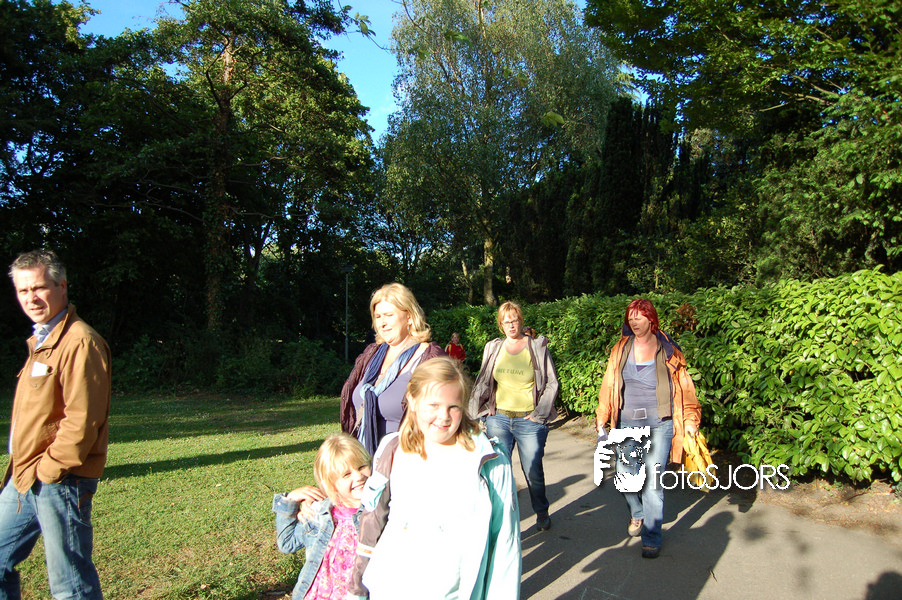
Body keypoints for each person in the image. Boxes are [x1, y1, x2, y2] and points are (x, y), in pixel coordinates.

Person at [348, 356, 520, 599]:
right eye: (433, 405)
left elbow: (505, 545)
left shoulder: (490, 463)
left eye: (453, 407)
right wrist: (356, 590)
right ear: (413, 400)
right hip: (389, 589)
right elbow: (372, 522)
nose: (443, 417)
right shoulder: (392, 450)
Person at [0, 249, 111, 599]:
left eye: (39, 288)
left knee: (70, 584)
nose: (31, 298)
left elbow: (83, 420)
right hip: (23, 477)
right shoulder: (42, 340)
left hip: (59, 479)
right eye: (23, 290)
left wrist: (49, 470)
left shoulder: (80, 341)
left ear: (62, 286)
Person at [595, 298, 701, 559]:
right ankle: (638, 513)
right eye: (630, 317)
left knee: (653, 483)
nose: (634, 321)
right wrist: (602, 417)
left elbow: (685, 388)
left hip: (659, 423)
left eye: (639, 316)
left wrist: (690, 420)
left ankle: (652, 537)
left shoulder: (669, 350)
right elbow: (609, 384)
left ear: (651, 319)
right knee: (626, 478)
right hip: (627, 423)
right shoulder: (621, 348)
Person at [470, 301, 559, 531]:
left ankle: (541, 512)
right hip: (498, 419)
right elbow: (484, 380)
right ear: (500, 325)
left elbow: (551, 382)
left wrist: (539, 414)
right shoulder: (494, 347)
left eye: (514, 320)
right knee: (499, 471)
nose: (511, 325)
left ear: (521, 320)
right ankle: (504, 520)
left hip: (529, 420)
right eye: (506, 321)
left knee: (532, 472)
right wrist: (482, 409)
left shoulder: (536, 346)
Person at [339, 283, 445, 456]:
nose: (382, 323)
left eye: (389, 315)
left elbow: (443, 414)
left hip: (408, 460)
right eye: (378, 316)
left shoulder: (429, 358)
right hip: (366, 461)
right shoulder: (370, 355)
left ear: (409, 317)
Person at [272, 434, 371, 600]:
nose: (358, 476)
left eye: (361, 467)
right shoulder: (318, 514)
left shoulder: (379, 512)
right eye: (346, 474)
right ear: (331, 484)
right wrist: (291, 499)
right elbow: (286, 543)